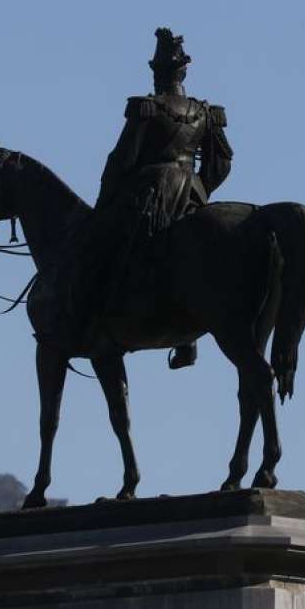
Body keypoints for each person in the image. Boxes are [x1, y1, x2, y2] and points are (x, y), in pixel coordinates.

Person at [95, 27, 233, 369]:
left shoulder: (147, 109)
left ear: (156, 74)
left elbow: (122, 159)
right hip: (192, 193)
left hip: (151, 193)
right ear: (184, 73)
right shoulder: (206, 112)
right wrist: (201, 188)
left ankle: (105, 315)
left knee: (112, 249)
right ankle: (188, 340)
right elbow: (222, 162)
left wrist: (107, 195)